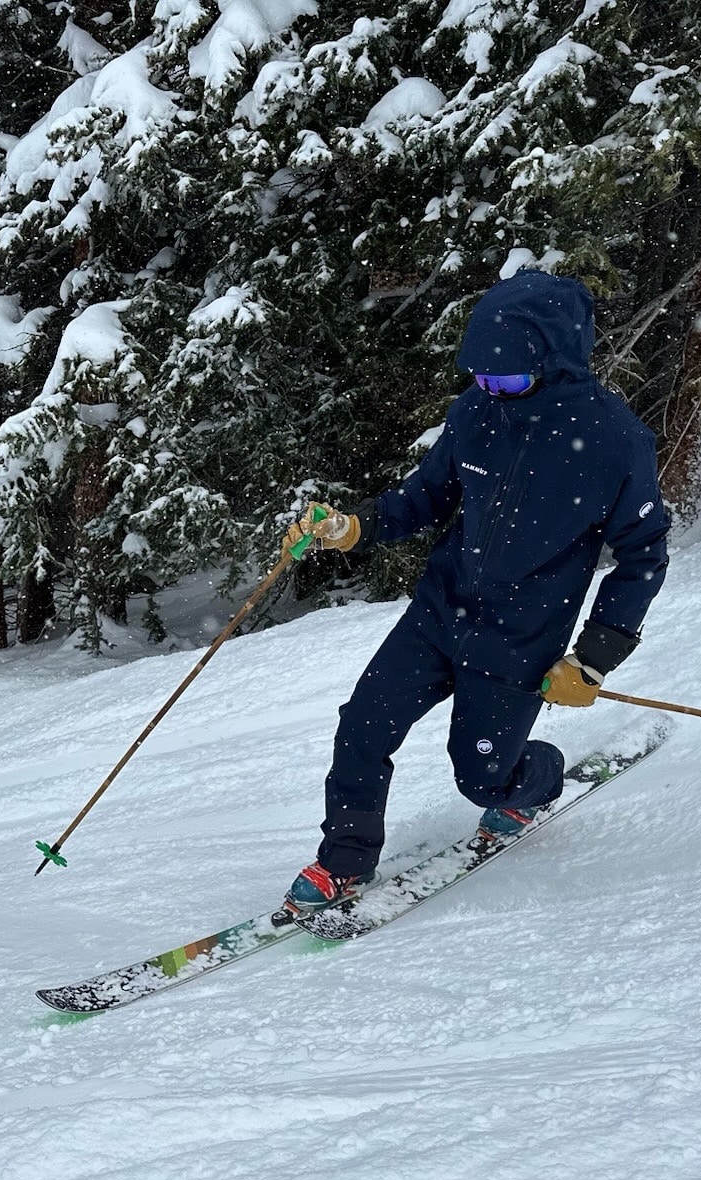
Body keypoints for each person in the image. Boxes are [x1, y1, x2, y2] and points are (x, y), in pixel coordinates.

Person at [281, 270, 669, 914]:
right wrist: (355, 527)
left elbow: (644, 554)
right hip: (441, 610)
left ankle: (535, 778)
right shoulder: (477, 413)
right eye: (481, 377)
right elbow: (426, 496)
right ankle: (343, 865)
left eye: (508, 379)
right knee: (363, 726)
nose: (492, 391)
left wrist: (594, 656)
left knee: (484, 780)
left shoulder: (614, 441)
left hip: (520, 638)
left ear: (556, 365)